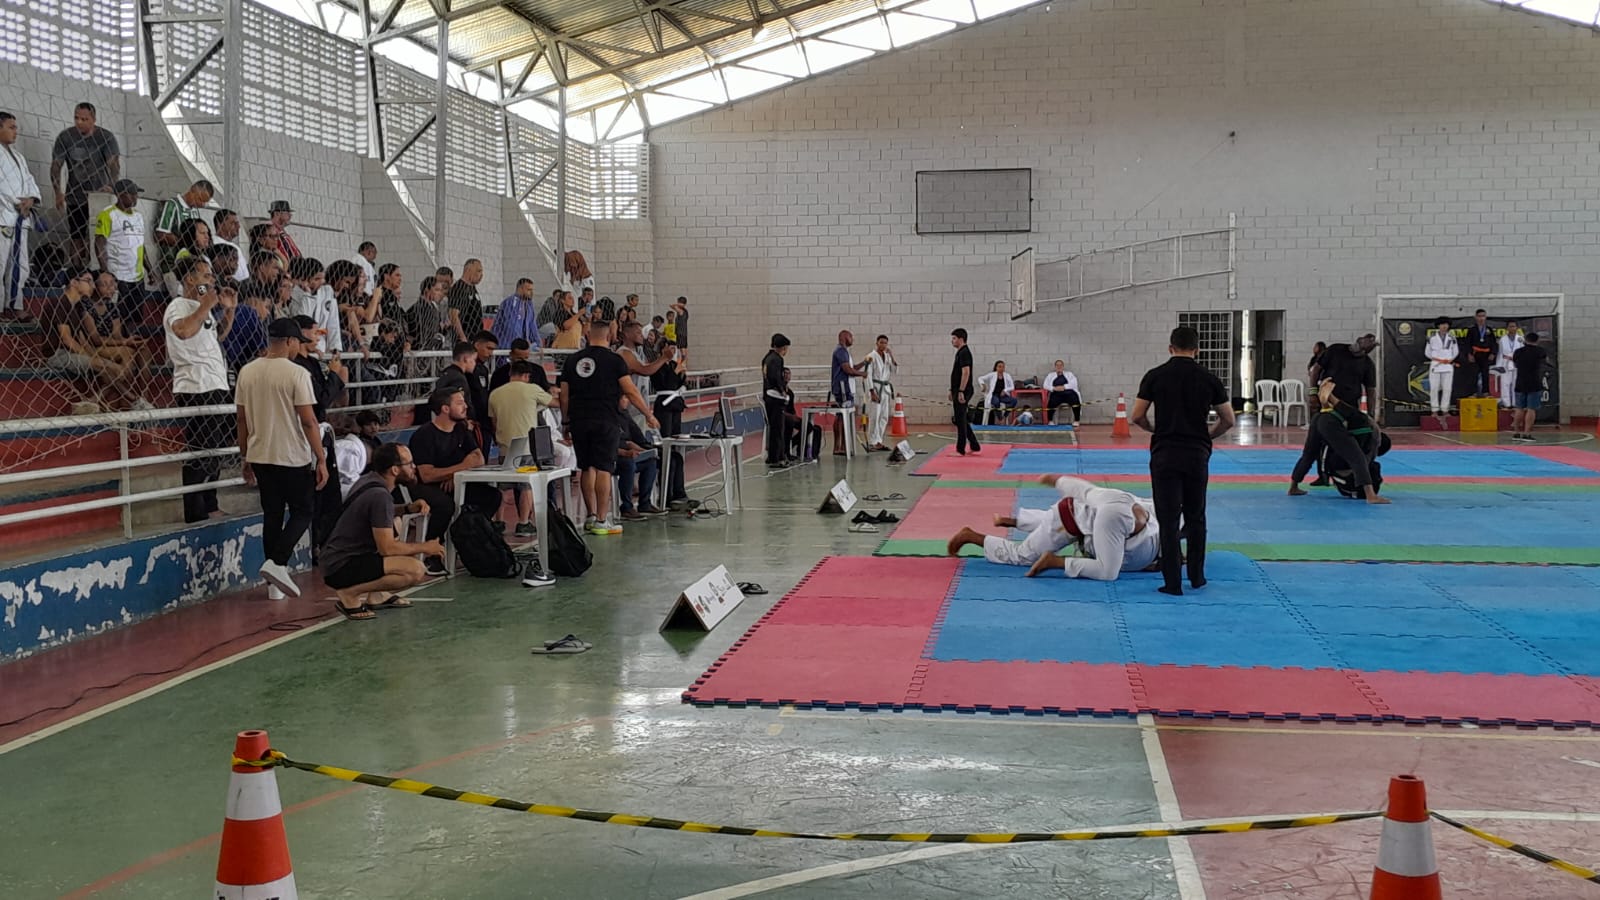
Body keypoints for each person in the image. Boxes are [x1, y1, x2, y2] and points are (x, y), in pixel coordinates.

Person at [1132, 325, 1234, 596]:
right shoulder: (1209, 378)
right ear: (1196, 350)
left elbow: (1137, 415)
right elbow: (1228, 419)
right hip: (1196, 453)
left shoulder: (1155, 376)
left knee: (1168, 519)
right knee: (1196, 515)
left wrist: (1155, 429)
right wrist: (1207, 436)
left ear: (1170, 348)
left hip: (1165, 452)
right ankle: (1197, 577)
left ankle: (1173, 582)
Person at [236, 318, 329, 600]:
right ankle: (277, 563)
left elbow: (242, 420)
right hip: (290, 455)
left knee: (272, 514)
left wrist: (245, 455)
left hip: (260, 453)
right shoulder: (297, 373)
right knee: (304, 511)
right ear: (290, 341)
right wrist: (321, 458)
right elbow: (309, 421)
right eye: (298, 342)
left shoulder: (247, 372)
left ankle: (273, 588)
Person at [557, 317, 658, 535]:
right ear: (609, 336)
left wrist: (565, 421)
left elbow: (564, 395)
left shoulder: (572, 360)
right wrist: (648, 414)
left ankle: (591, 516)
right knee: (603, 468)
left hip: (579, 420)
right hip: (605, 420)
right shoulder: (615, 361)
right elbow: (630, 391)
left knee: (586, 467)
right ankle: (603, 520)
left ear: (587, 335)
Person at [319, 442, 440, 621]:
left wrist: (407, 508)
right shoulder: (380, 496)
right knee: (415, 570)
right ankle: (350, 593)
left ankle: (378, 595)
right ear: (395, 470)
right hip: (341, 566)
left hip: (336, 560)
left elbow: (380, 513)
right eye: (409, 463)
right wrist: (425, 547)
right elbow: (387, 549)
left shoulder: (369, 480)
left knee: (396, 523)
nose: (414, 467)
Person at [164, 256, 237, 523]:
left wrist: (228, 311)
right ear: (190, 279)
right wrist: (205, 305)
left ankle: (210, 503)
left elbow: (216, 337)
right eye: (206, 276)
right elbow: (183, 331)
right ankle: (194, 511)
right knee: (202, 451)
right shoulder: (178, 305)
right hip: (196, 386)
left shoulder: (199, 307)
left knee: (216, 448)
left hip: (215, 382)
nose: (211, 280)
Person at [410, 387, 497, 563]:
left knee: (492, 496)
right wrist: (460, 468)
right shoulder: (424, 435)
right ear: (445, 408)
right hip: (425, 486)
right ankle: (431, 552)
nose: (465, 406)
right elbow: (426, 475)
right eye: (459, 403)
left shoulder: (460, 430)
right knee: (445, 506)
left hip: (452, 481)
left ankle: (468, 538)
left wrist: (453, 474)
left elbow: (478, 458)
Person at [1287, 381, 1391, 504]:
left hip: (1320, 417)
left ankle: (1293, 487)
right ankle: (1370, 496)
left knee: (1309, 454)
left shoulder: (1366, 426)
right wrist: (1330, 398)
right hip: (1330, 421)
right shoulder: (1373, 437)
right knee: (1357, 457)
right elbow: (1361, 458)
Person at [488, 359, 554, 536]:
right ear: (527, 376)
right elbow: (553, 402)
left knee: (502, 486)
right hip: (526, 447)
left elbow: (494, 422)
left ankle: (499, 522)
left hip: (505, 446)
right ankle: (523, 523)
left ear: (510, 374)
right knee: (526, 486)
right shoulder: (532, 389)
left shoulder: (495, 394)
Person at [51, 102, 120, 267]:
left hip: (99, 196)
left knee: (98, 234)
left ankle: (97, 270)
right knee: (76, 236)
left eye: (84, 119)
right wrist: (58, 192)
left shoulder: (105, 137)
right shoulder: (66, 137)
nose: (79, 122)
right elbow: (56, 166)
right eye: (76, 118)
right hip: (75, 196)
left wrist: (112, 186)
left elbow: (114, 164)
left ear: (93, 119)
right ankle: (76, 270)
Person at [95, 179, 157, 319]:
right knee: (119, 315)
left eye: (136, 193)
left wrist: (149, 270)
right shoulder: (108, 214)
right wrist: (105, 271)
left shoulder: (138, 216)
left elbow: (140, 245)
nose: (135, 197)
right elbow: (99, 243)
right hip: (118, 275)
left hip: (137, 277)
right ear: (120, 194)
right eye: (132, 193)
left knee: (136, 316)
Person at [0, 112, 41, 322]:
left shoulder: (19, 157)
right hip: (3, 216)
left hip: (20, 218)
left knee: (21, 265)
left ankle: (15, 305)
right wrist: (18, 202)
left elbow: (30, 181)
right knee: (0, 264)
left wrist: (31, 199)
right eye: (11, 127)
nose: (15, 131)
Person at [614, 396, 663, 520]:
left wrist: (645, 449)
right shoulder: (608, 417)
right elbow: (608, 444)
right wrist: (626, 450)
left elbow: (635, 434)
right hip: (614, 457)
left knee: (650, 461)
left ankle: (645, 503)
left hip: (628, 452)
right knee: (628, 464)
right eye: (624, 398)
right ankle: (626, 507)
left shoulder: (625, 415)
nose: (627, 401)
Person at [154, 179, 214, 272]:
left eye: (205, 202)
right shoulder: (173, 205)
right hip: (173, 265)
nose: (202, 204)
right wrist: (186, 244)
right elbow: (160, 235)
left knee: (203, 280)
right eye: (200, 199)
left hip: (192, 265)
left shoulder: (195, 211)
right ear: (192, 190)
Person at [1308, 333, 1377, 412]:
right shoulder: (1335, 349)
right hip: (1327, 400)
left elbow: (1370, 391)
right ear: (1359, 340)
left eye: (1371, 343)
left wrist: (1371, 414)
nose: (1368, 344)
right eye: (1367, 341)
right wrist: (1313, 393)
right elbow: (1315, 370)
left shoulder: (1368, 364)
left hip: (1349, 405)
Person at [1510, 332, 1549, 443]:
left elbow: (1515, 364)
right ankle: (1527, 434)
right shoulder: (1540, 351)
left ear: (1526, 340)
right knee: (1531, 409)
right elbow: (1545, 361)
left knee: (1519, 408)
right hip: (1534, 383)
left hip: (1520, 382)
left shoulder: (1518, 352)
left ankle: (1516, 432)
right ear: (1537, 341)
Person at [862, 335, 897, 451]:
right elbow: (867, 376)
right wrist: (871, 392)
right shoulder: (871, 356)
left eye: (885, 343)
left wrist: (891, 356)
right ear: (877, 343)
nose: (883, 345)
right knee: (874, 416)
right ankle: (872, 442)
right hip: (876, 389)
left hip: (885, 389)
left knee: (884, 417)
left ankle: (879, 441)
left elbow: (894, 370)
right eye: (881, 342)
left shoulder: (887, 356)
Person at [949, 328, 980, 455]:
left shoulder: (964, 352)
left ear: (961, 339)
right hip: (958, 389)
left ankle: (960, 449)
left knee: (960, 420)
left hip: (963, 390)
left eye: (954, 338)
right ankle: (974, 444)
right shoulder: (960, 352)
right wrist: (952, 390)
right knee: (960, 419)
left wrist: (961, 391)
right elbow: (956, 374)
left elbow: (966, 372)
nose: (952, 341)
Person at [763, 333, 791, 467]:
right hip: (775, 398)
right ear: (783, 348)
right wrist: (783, 390)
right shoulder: (777, 359)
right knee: (778, 428)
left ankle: (772, 456)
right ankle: (777, 458)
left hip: (768, 396)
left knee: (773, 427)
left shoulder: (767, 358)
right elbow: (776, 378)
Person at [492, 277, 541, 348]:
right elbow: (512, 327)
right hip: (506, 346)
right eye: (528, 290)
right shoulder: (511, 302)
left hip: (520, 346)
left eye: (532, 290)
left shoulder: (529, 305)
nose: (531, 293)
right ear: (520, 289)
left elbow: (533, 326)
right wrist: (520, 345)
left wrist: (538, 343)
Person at [1425, 317, 1458, 418]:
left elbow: (1455, 351)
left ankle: (1445, 410)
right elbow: (1427, 352)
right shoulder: (1432, 337)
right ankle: (1434, 410)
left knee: (1447, 389)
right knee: (1434, 388)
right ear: (1438, 326)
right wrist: (1437, 359)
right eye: (1442, 324)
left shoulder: (1452, 337)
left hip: (1447, 365)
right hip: (1436, 365)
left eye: (1446, 324)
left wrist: (1449, 359)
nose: (1444, 326)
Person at [447, 258, 484, 343]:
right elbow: (453, 315)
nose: (481, 275)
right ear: (468, 270)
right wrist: (463, 338)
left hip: (475, 338)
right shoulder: (459, 288)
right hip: (465, 339)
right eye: (478, 271)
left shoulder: (472, 288)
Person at [1466, 308, 1496, 398]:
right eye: (1479, 316)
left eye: (1483, 316)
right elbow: (1468, 343)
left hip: (1486, 355)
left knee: (1485, 374)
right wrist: (1469, 354)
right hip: (1475, 354)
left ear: (1486, 317)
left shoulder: (1489, 330)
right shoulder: (1472, 330)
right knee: (1473, 374)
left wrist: (1493, 353)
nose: (1481, 318)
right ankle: (1473, 392)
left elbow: (1493, 343)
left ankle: (1485, 392)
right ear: (1475, 317)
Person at [1496, 320, 1524, 410]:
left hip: (1517, 362)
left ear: (1517, 328)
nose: (1512, 328)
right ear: (1507, 328)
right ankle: (1506, 403)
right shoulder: (1502, 339)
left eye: (1514, 326)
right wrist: (1499, 365)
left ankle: (1516, 402)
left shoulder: (1520, 339)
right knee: (1505, 383)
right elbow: (1500, 353)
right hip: (1505, 362)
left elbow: (1523, 352)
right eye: (1510, 326)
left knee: (1516, 383)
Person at [1044, 360, 1081, 424]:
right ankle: (1050, 421)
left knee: (1075, 400)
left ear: (1063, 366)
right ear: (1055, 367)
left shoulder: (1069, 374)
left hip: (1069, 394)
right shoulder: (1050, 375)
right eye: (1057, 365)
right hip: (1056, 394)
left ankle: (1076, 420)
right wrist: (1054, 388)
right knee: (1051, 402)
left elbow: (1074, 383)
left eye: (1061, 365)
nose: (1059, 366)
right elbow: (1045, 385)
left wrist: (1064, 387)